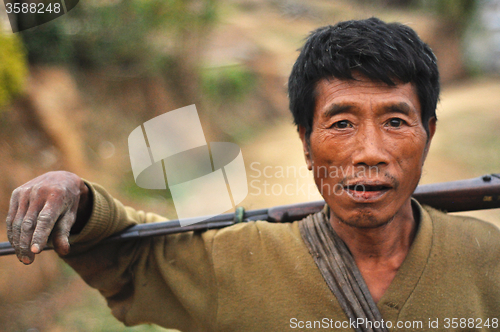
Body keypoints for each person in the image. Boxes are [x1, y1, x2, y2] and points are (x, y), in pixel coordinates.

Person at [6, 17, 500, 331]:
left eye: (395, 121)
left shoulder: (488, 259)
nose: (369, 152)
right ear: (306, 143)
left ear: (428, 134)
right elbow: (130, 258)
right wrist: (76, 195)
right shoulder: (237, 260)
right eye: (341, 123)